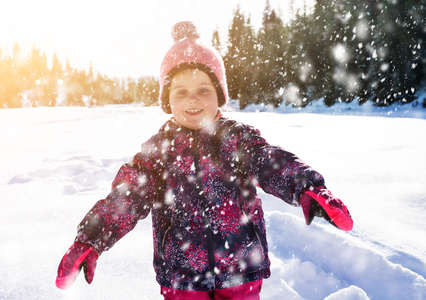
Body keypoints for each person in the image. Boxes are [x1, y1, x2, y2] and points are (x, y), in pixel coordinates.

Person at [55, 21, 353, 300]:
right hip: (181, 278)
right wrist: (92, 238)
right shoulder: (157, 152)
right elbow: (128, 197)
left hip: (240, 271)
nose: (192, 100)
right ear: (167, 99)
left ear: (219, 95)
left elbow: (271, 161)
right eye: (181, 92)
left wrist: (307, 187)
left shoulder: (238, 139)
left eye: (203, 90)